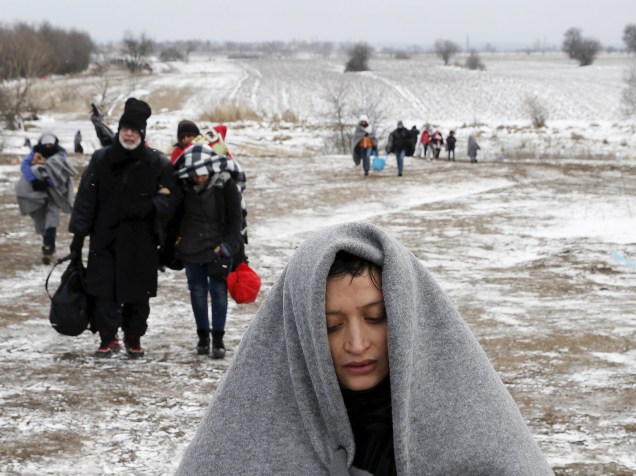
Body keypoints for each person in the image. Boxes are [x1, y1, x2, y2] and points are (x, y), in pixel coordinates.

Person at [176, 222, 553, 475]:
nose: (356, 345)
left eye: (376, 317)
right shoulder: (249, 427)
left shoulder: (471, 419)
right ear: (302, 331)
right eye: (331, 326)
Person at [68, 98, 179, 358]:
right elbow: (86, 198)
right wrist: (78, 237)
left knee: (137, 294)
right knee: (103, 291)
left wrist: (152, 206)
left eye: (134, 130)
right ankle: (108, 338)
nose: (128, 134)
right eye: (124, 129)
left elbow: (172, 196)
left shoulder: (157, 163)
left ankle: (133, 338)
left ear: (142, 133)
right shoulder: (101, 159)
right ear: (118, 131)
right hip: (105, 238)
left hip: (141, 241)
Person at [171, 144, 244, 358]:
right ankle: (202, 337)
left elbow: (235, 220)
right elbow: (174, 219)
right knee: (197, 293)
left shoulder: (225, 186)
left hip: (218, 249)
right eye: (195, 175)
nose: (199, 179)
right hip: (191, 249)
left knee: (219, 293)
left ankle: (218, 340)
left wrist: (228, 246)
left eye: (203, 174)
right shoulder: (183, 187)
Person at [15, 132, 75, 264]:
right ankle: (48, 244)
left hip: (55, 193)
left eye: (50, 145)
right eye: (45, 145)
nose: (48, 147)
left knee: (52, 219)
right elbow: (25, 167)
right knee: (42, 219)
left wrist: (49, 182)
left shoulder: (60, 155)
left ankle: (48, 247)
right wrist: (35, 180)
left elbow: (61, 172)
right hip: (38, 194)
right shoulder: (34, 152)